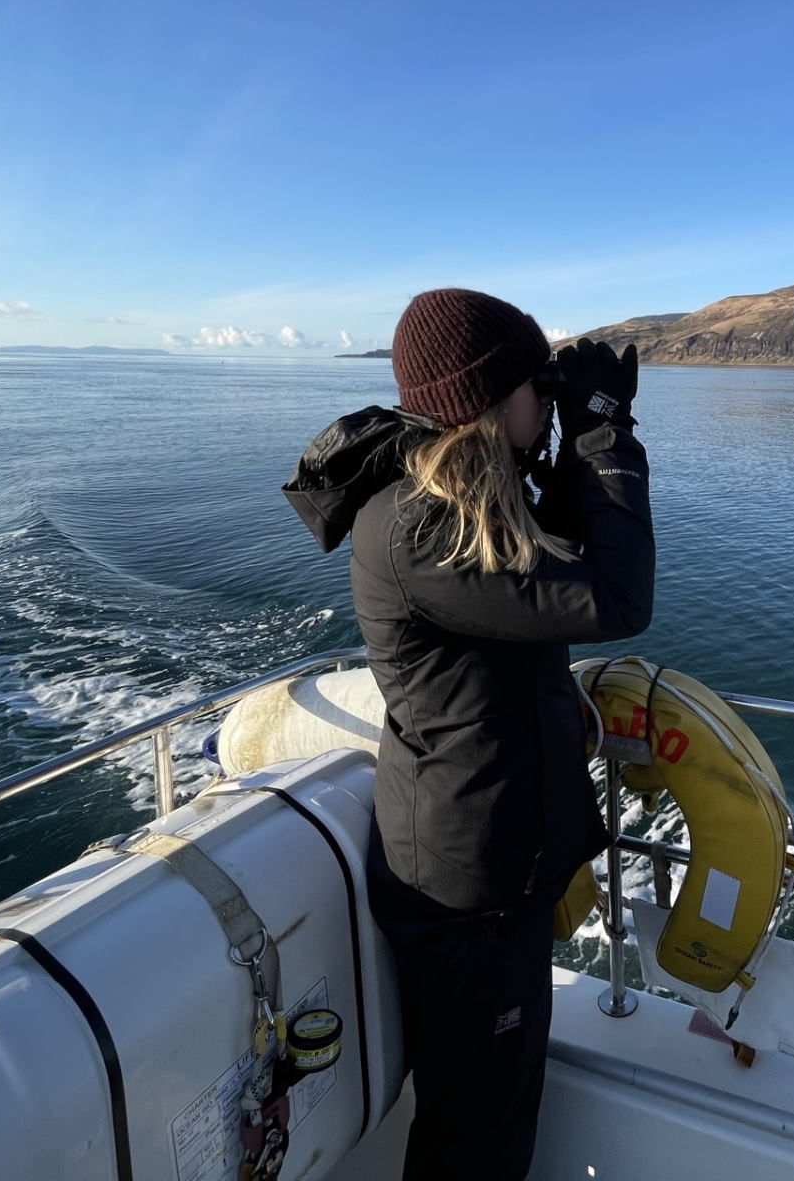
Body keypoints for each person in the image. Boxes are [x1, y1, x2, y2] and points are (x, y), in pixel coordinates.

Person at [283, 287, 655, 1179]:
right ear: (487, 403)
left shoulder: (459, 503)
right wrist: (605, 434)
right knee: (475, 1141)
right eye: (537, 381)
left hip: (485, 866)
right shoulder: (423, 528)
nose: (548, 391)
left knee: (487, 1112)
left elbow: (557, 548)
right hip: (467, 886)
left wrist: (572, 431)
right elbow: (613, 596)